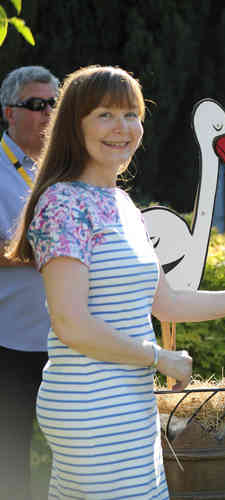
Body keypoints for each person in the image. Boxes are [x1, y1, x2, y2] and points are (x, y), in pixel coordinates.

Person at [5, 65, 225, 499]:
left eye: (131, 114)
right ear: (74, 124)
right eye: (105, 114)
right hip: (90, 404)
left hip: (129, 400)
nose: (122, 128)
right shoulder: (63, 203)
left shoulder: (122, 203)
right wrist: (159, 357)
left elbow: (169, 302)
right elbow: (71, 324)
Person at [0, 65, 59, 500]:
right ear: (9, 113)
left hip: (68, 339)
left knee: (74, 452)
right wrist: (42, 253)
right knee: (9, 458)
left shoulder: (67, 170)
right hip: (8, 341)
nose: (47, 114)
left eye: (54, 105)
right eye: (36, 105)